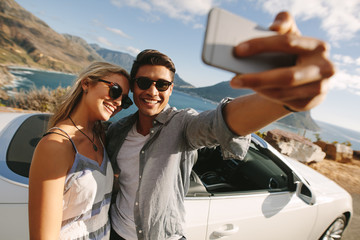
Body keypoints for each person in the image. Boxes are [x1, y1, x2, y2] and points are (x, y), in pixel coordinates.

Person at [106, 12, 335, 240]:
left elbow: (221, 123)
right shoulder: (118, 131)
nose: (152, 91)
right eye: (144, 82)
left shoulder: (182, 124)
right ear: (134, 86)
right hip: (114, 230)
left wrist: (283, 101)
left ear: (171, 89)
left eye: (162, 84)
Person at [28, 62, 133, 239]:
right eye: (115, 91)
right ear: (86, 84)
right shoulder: (56, 145)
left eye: (125, 100)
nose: (118, 102)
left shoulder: (100, 136)